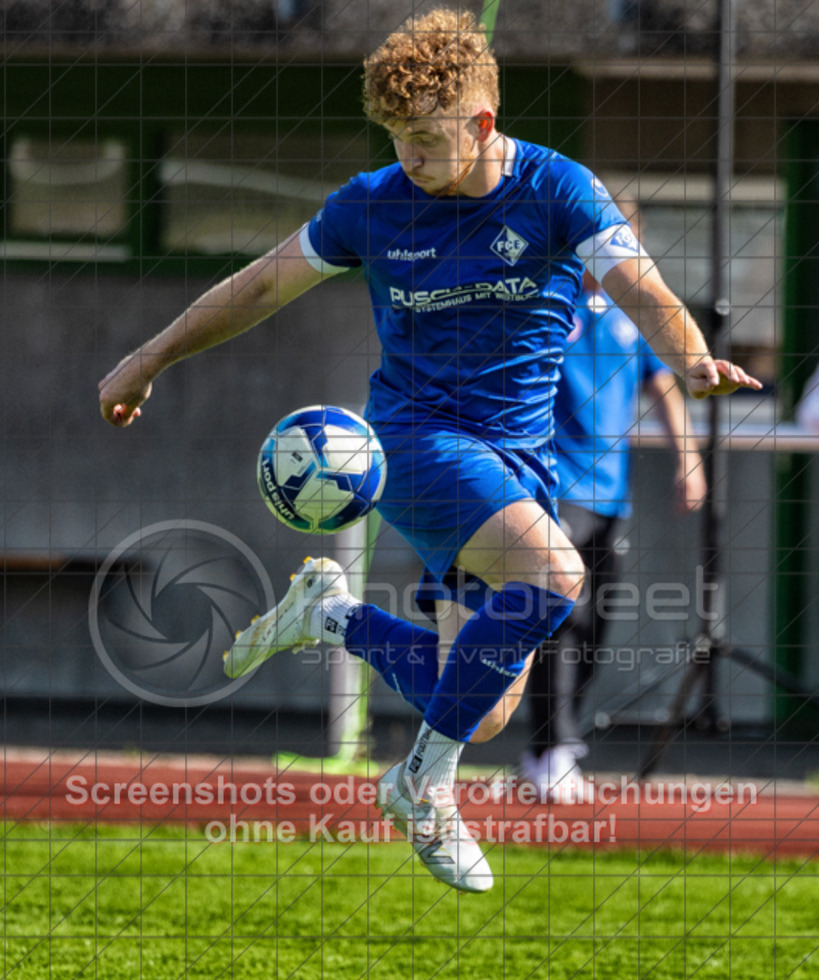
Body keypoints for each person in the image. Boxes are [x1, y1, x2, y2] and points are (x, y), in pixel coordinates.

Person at [99, 8, 762, 894]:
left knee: (483, 710)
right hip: (412, 441)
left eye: (423, 139)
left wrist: (689, 357)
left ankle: (330, 616)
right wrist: (147, 360)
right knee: (558, 581)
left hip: (521, 463)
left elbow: (635, 281)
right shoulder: (372, 205)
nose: (406, 157)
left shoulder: (560, 189)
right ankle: (421, 784)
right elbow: (260, 285)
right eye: (397, 139)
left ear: (482, 124)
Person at [521, 263, 708, 803]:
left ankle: (546, 749)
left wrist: (688, 460)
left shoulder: (632, 314)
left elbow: (662, 386)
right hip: (554, 485)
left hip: (612, 493)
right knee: (558, 616)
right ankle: (555, 748)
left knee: (595, 624)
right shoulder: (545, 302)